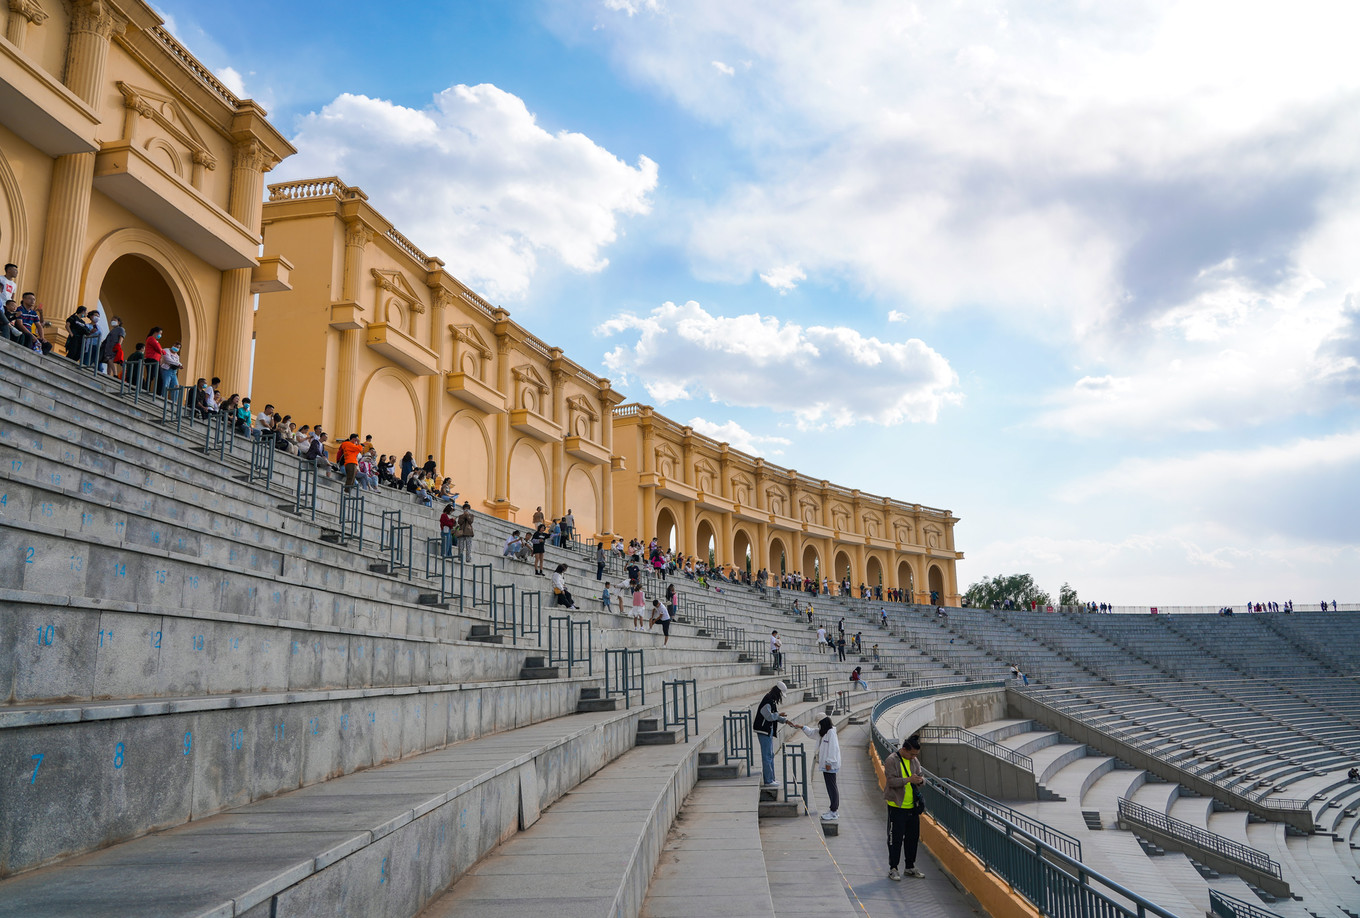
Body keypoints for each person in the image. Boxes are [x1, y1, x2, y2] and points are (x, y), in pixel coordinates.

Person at [884, 734, 926, 880]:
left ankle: (910, 866)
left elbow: (921, 776)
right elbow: (891, 782)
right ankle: (893, 868)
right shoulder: (891, 760)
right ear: (904, 750)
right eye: (912, 754)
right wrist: (908, 779)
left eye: (916, 755)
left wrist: (920, 781)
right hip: (897, 806)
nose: (914, 757)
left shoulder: (914, 760)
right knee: (895, 839)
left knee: (912, 838)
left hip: (912, 807)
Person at [793, 716, 841, 820]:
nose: (818, 726)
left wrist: (829, 762)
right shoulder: (824, 732)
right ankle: (833, 809)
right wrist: (802, 727)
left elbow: (833, 748)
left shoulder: (831, 733)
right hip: (827, 765)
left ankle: (834, 811)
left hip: (830, 765)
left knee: (832, 787)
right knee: (830, 786)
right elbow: (811, 732)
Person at [752, 681, 791, 788]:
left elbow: (774, 716)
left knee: (770, 755)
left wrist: (785, 720)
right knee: (767, 756)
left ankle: (771, 778)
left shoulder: (771, 700)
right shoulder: (768, 701)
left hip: (768, 730)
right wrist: (779, 714)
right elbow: (769, 716)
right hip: (763, 730)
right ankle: (768, 780)